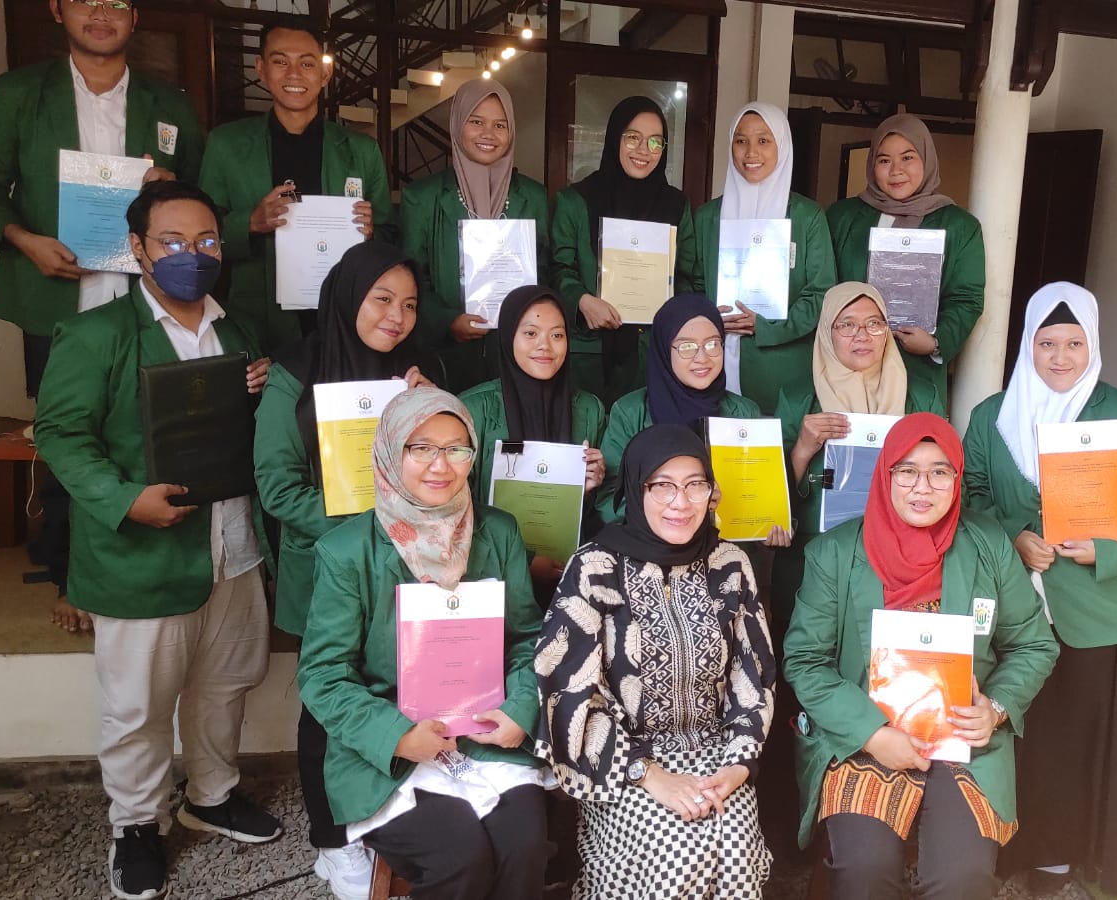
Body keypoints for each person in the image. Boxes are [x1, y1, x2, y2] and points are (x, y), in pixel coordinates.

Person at [33, 180, 279, 900]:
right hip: (142, 557)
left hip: (233, 546)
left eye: (206, 241)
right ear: (138, 248)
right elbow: (60, 434)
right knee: (138, 706)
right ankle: (137, 824)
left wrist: (263, 391)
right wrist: (122, 499)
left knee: (224, 686)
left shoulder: (237, 332)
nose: (191, 255)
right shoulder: (97, 335)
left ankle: (211, 795)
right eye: (172, 241)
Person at [0, 0, 203, 634]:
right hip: (55, 297)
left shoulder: (169, 104)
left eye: (117, 1)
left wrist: (168, 186)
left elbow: (195, 203)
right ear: (57, 9)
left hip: (146, 297)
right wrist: (25, 241)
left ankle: (143, 562)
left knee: (147, 432)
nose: (101, 12)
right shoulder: (20, 93)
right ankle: (71, 572)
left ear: (136, 17)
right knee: (68, 436)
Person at [783, 413, 1058, 900]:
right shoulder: (835, 554)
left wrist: (994, 709)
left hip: (962, 742)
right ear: (884, 474)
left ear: (957, 478)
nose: (922, 487)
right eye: (907, 471)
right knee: (864, 869)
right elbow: (805, 660)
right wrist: (872, 734)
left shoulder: (988, 545)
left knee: (963, 878)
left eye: (939, 472)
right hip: (865, 740)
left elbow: (1033, 643)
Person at [962, 283, 1117, 896]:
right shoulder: (992, 416)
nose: (1060, 357)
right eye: (1047, 343)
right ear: (1028, 345)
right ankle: (994, 847)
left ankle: (1056, 856)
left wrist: (1108, 551)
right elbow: (971, 495)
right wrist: (1014, 535)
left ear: (1093, 345)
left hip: (1090, 609)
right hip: (1009, 604)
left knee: (1070, 739)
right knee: (1007, 729)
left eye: (1074, 343)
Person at [298, 387, 553, 900]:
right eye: (421, 448)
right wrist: (397, 736)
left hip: (485, 734)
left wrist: (521, 710)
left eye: (457, 448)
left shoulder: (498, 532)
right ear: (391, 452)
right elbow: (323, 675)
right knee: (460, 859)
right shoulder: (347, 552)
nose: (441, 465)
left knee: (526, 847)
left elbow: (527, 639)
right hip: (391, 749)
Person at [252, 241, 437, 900]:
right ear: (348, 296)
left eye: (409, 304)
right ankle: (333, 845)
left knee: (392, 694)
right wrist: (362, 525)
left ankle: (384, 821)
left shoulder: (413, 375)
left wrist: (427, 408)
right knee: (327, 708)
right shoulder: (293, 375)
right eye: (382, 299)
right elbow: (278, 488)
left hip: (406, 568)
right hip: (329, 570)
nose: (396, 316)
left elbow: (437, 468)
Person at [534, 423, 777, 899]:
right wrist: (647, 774)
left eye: (695, 484)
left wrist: (738, 765)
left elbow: (754, 673)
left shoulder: (730, 564)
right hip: (624, 762)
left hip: (716, 755)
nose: (680, 502)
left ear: (712, 491)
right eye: (662, 486)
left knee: (736, 850)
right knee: (677, 859)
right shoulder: (595, 568)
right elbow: (569, 690)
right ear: (635, 488)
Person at [763, 281, 946, 854]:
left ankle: (890, 797)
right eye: (846, 325)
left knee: (887, 674)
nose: (861, 336)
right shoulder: (799, 395)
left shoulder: (920, 392)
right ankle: (808, 812)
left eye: (873, 323)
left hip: (903, 569)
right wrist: (801, 448)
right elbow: (769, 507)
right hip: (818, 564)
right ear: (826, 333)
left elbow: (944, 474)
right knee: (809, 676)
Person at [200, 21, 391, 355]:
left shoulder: (361, 150)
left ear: (325, 73)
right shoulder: (226, 145)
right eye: (280, 61)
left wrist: (371, 232)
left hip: (344, 314)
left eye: (306, 63)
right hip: (258, 317)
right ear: (260, 68)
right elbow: (199, 238)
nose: (294, 74)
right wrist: (249, 223)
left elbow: (392, 235)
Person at [826, 114, 984, 409]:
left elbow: (966, 299)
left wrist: (936, 342)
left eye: (908, 157)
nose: (896, 170)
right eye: (884, 160)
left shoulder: (959, 226)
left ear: (927, 159)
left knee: (911, 436)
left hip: (916, 369)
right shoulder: (843, 217)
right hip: (847, 367)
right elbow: (825, 286)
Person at [402, 78, 550, 390]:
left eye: (500, 125)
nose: (488, 134)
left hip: (517, 354)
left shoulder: (534, 197)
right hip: (446, 358)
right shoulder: (422, 197)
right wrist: (447, 321)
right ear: (457, 125)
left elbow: (545, 269)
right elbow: (410, 279)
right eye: (476, 121)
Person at [690, 102, 837, 415]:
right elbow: (693, 284)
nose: (751, 153)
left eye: (763, 141)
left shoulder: (806, 217)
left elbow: (821, 293)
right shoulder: (707, 217)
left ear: (782, 146)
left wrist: (767, 327)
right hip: (711, 361)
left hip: (781, 370)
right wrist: (710, 317)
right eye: (741, 141)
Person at [552, 95, 699, 404]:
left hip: (654, 353)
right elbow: (558, 267)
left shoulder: (676, 206)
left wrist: (672, 311)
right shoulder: (575, 201)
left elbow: (688, 276)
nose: (644, 150)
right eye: (633, 137)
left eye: (655, 142)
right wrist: (582, 300)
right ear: (614, 138)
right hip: (589, 353)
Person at [459, 285, 607, 590]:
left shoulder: (589, 410)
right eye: (530, 333)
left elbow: (598, 514)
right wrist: (524, 561)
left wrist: (591, 487)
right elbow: (456, 507)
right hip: (491, 574)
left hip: (570, 574)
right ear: (507, 336)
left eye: (557, 335)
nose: (545, 346)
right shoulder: (473, 409)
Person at [592, 293, 759, 525]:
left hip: (725, 542)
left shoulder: (745, 413)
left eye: (713, 344)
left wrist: (768, 525)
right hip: (649, 545)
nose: (702, 357)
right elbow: (609, 502)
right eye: (687, 347)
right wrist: (675, 513)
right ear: (663, 349)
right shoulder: (630, 413)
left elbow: (758, 496)